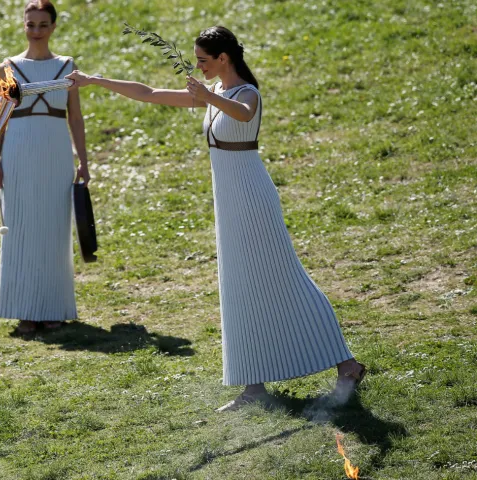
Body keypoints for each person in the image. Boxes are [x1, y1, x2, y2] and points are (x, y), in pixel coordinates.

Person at [66, 26, 365, 411]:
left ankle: (348, 366)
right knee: (238, 288)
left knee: (285, 279)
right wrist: (95, 80)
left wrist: (208, 96)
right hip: (229, 204)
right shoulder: (215, 95)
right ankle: (254, 388)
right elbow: (150, 93)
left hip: (253, 200)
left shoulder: (244, 94)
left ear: (224, 58)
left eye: (204, 61)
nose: (198, 67)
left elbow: (243, 112)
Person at [0, 0, 90, 334]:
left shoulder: (67, 66)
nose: (36, 31)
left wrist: (84, 161)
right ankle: (23, 310)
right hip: (18, 152)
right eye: (31, 24)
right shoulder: (7, 68)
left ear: (53, 27)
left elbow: (75, 117)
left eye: (43, 24)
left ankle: (52, 309)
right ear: (23, 25)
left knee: (52, 230)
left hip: (55, 152)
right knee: (19, 230)